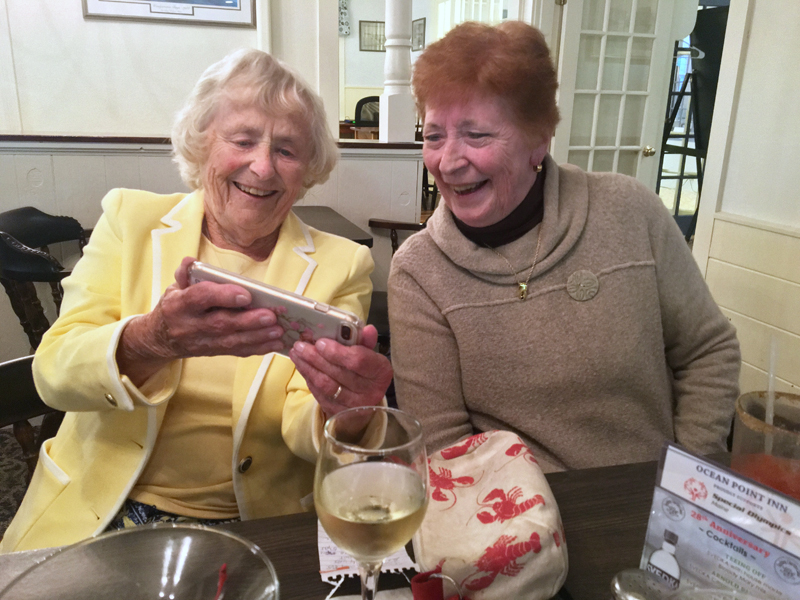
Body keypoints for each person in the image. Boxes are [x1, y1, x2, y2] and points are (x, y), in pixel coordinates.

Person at [1, 49, 391, 553]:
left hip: (256, 527)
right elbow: (53, 372)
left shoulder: (343, 264)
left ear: (308, 170)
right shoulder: (130, 221)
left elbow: (305, 424)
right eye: (243, 140)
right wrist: (150, 341)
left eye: (288, 150)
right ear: (202, 143)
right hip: (104, 514)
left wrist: (349, 414)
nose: (263, 166)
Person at [388, 21, 741, 473]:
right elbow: (444, 448)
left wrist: (682, 481)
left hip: (656, 501)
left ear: (539, 139)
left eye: (476, 135)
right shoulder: (419, 272)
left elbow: (708, 352)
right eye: (434, 135)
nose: (448, 161)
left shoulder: (629, 211)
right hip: (510, 522)